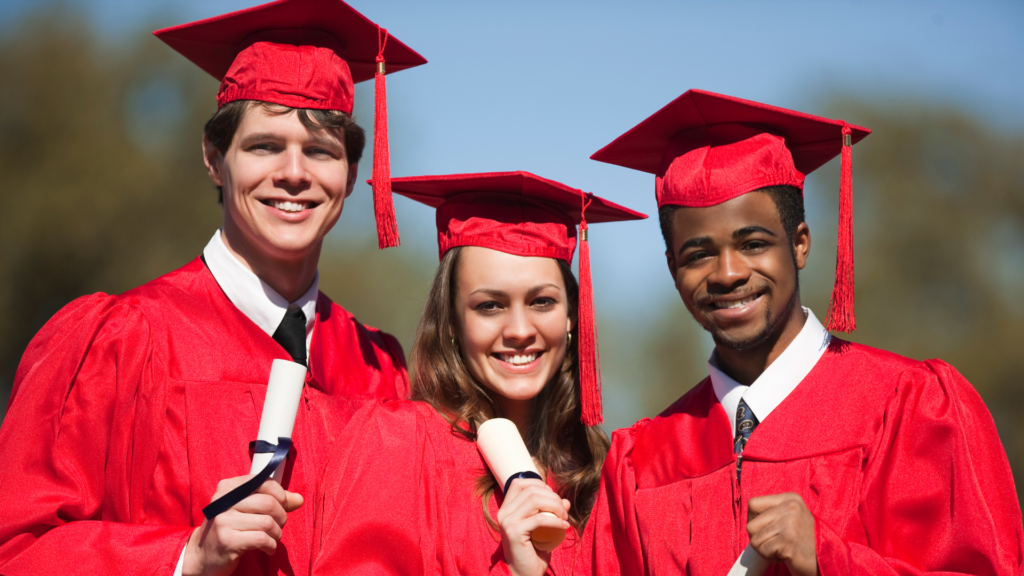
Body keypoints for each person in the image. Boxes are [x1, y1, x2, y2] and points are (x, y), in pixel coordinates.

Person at [0, 1, 425, 575]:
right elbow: (18, 550)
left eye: (320, 151)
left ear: (350, 175)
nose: (294, 173)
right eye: (264, 146)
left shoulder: (378, 368)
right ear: (213, 158)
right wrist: (185, 557)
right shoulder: (123, 339)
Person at [585, 89, 1024, 576]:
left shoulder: (908, 407)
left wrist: (829, 560)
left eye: (753, 243)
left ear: (800, 245)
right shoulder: (640, 464)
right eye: (698, 254)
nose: (727, 273)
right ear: (672, 268)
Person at [309, 171, 645, 575]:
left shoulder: (598, 473)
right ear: (452, 322)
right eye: (490, 306)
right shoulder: (397, 444)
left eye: (542, 302)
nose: (520, 330)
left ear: (572, 316)